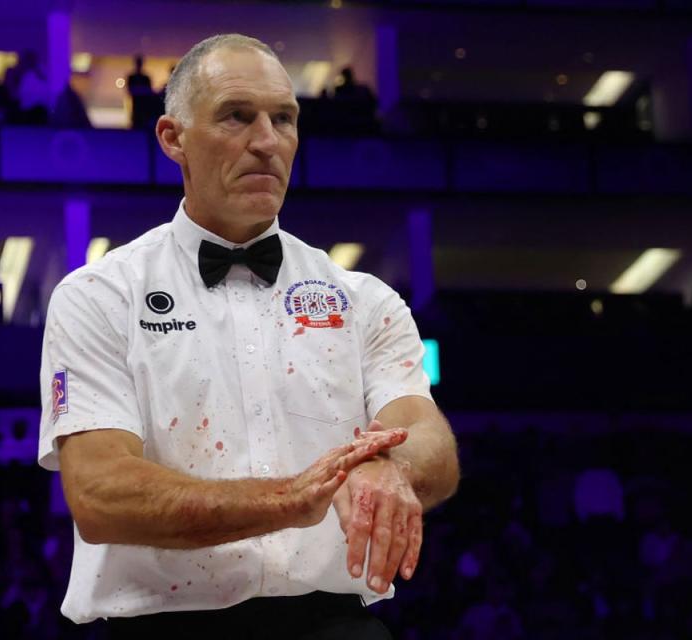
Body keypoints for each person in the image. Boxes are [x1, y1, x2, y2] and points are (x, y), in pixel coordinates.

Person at [38, 33, 460, 638]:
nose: (267, 141)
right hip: (159, 627)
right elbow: (102, 494)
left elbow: (430, 443)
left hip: (336, 624)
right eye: (237, 116)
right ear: (172, 138)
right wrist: (292, 499)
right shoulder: (101, 295)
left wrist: (390, 469)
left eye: (283, 119)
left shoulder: (363, 299)